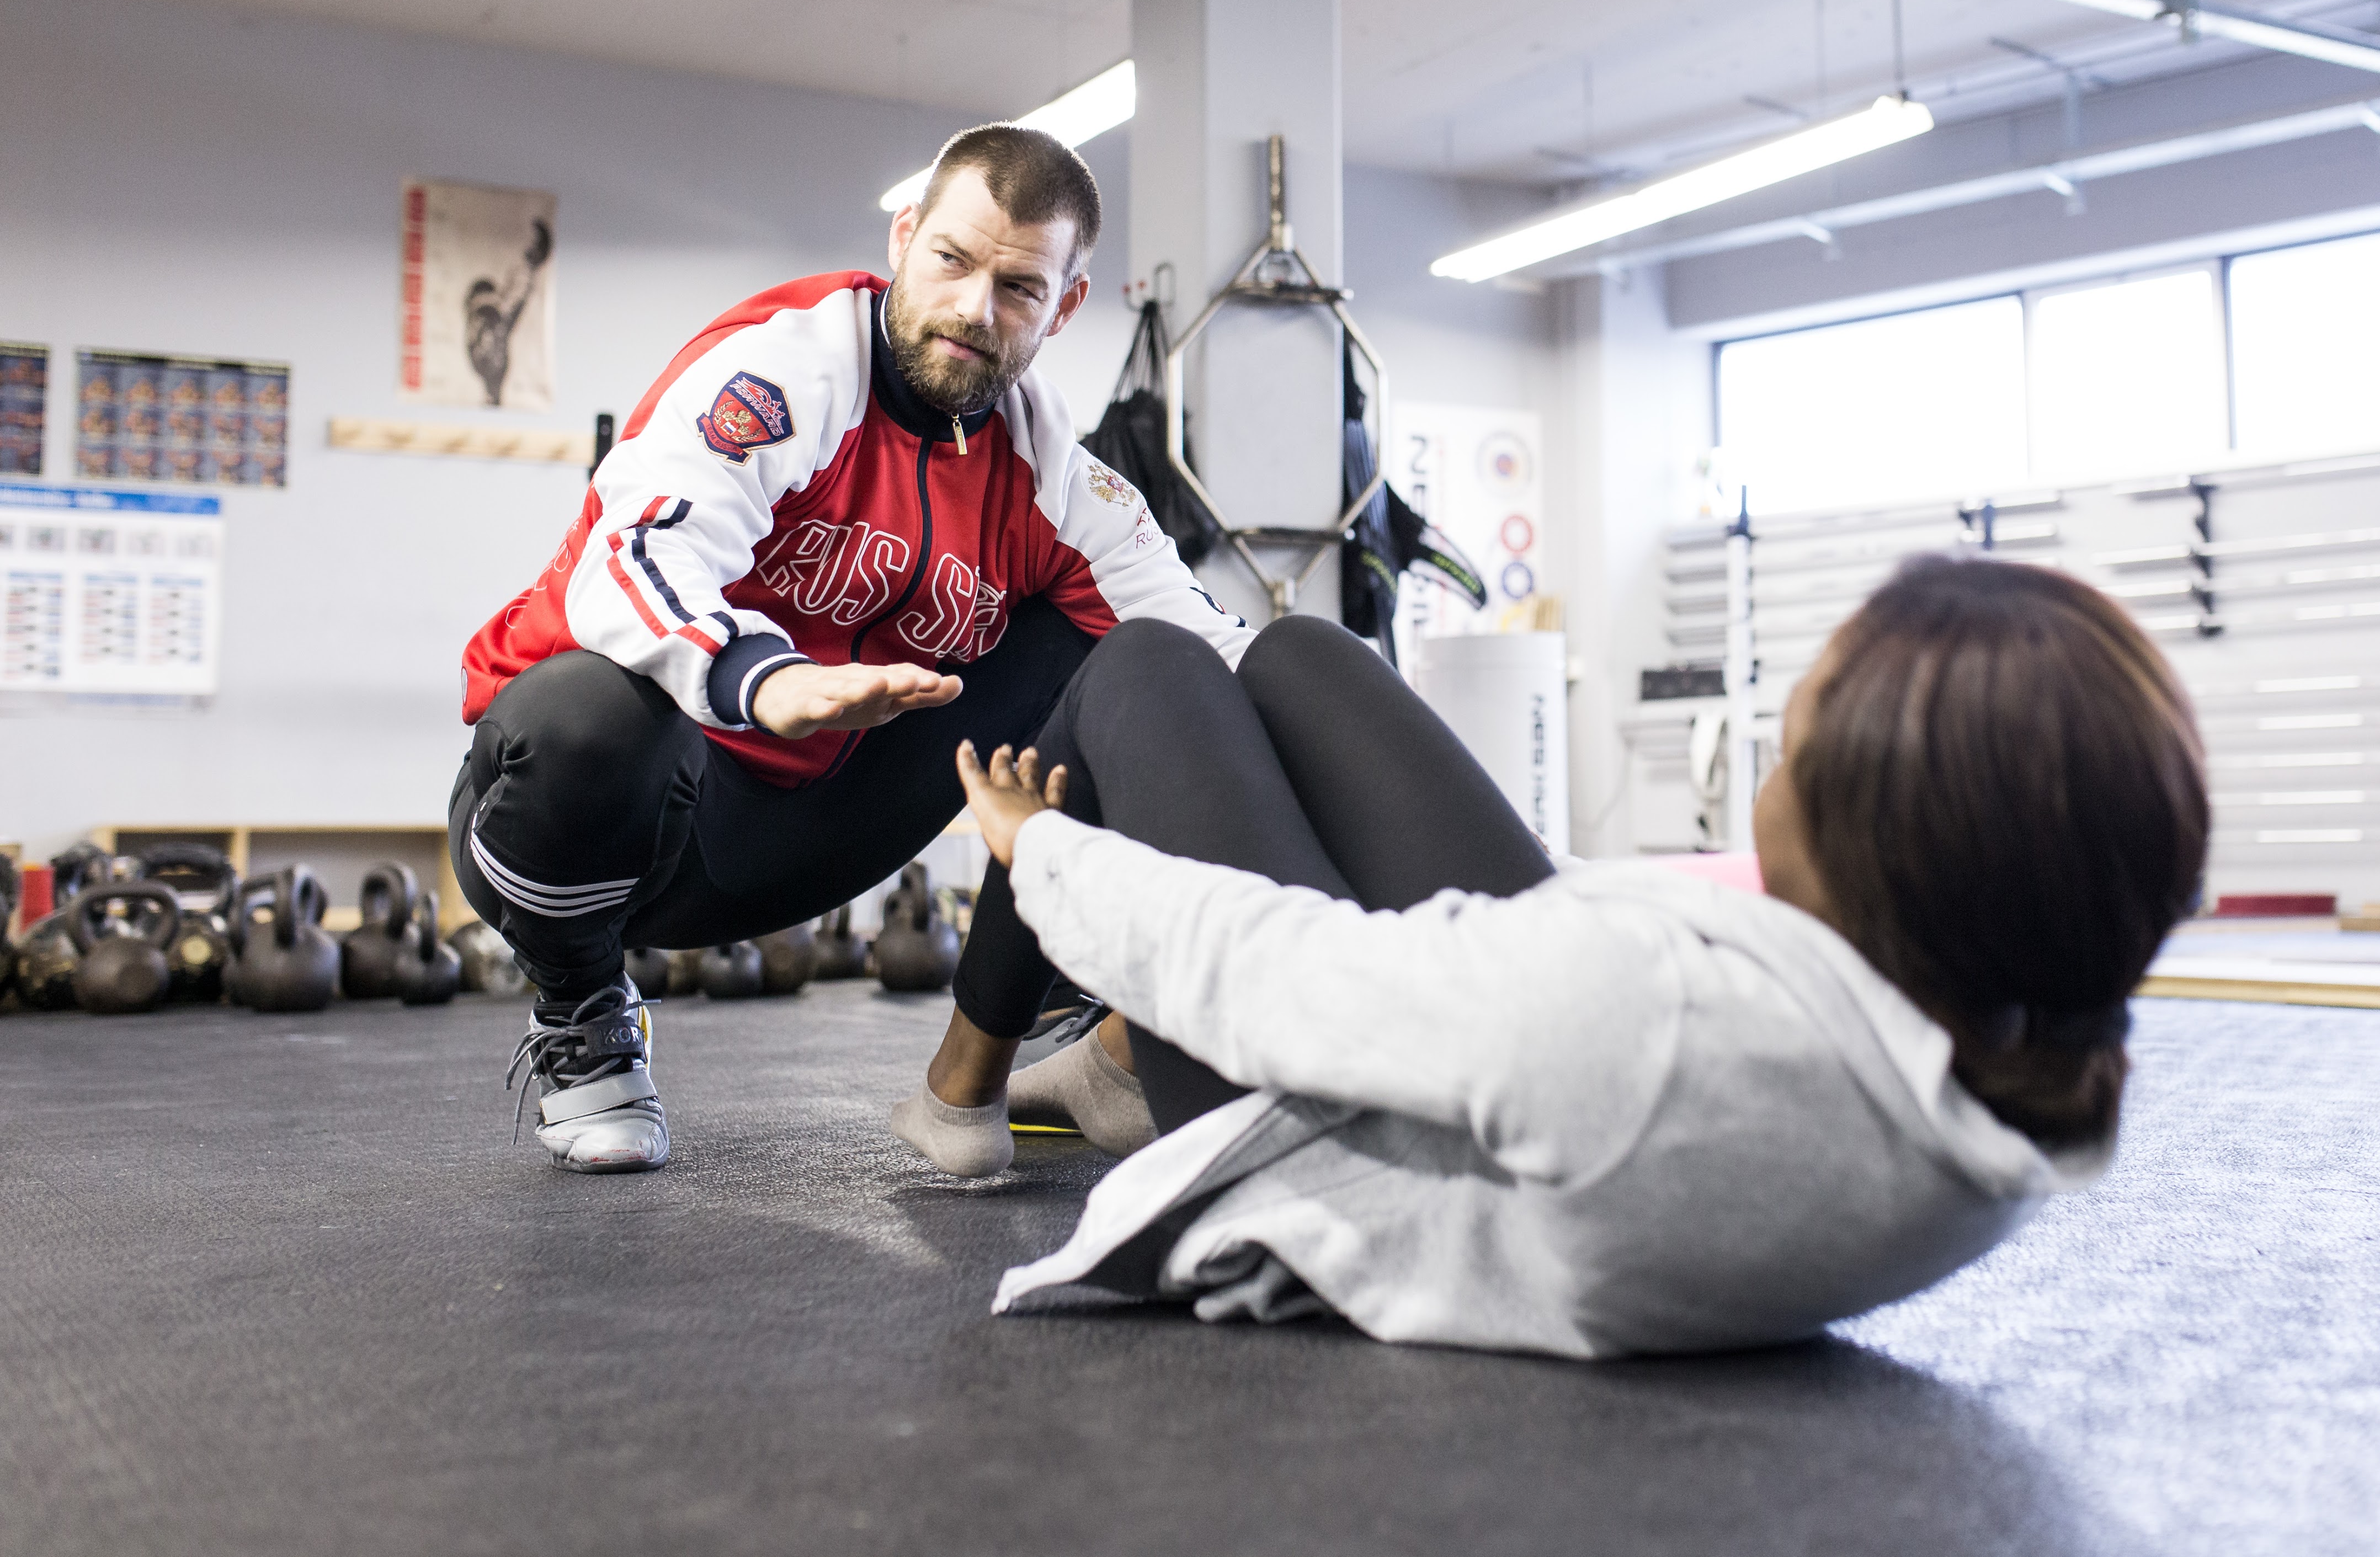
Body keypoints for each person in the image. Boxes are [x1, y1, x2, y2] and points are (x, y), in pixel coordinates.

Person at [935, 556, 2208, 1359]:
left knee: (1145, 667)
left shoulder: (1653, 1025)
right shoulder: (2004, 1057)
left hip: (1310, 1141)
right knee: (1300, 654)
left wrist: (1038, 849)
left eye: (1788, 745)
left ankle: (968, 1076)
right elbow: (1604, 943)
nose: (1770, 761)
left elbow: (1279, 976)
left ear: (1868, 837)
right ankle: (1072, 1059)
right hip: (1549, 1091)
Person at [454, 122, 1255, 1174]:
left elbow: (1213, 647)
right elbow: (637, 554)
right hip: (626, 811)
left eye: (1018, 288)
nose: (976, 309)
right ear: (905, 235)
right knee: (582, 720)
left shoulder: (1056, 472)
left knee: (1142, 669)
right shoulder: (783, 371)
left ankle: (1080, 1037)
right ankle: (582, 1002)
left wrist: (1363, 760)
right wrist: (762, 677)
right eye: (953, 261)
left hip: (820, 834)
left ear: (1065, 307)